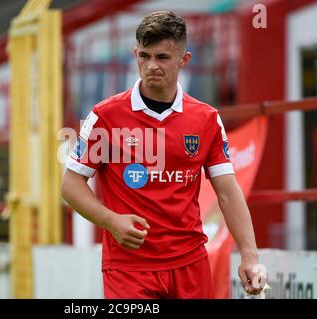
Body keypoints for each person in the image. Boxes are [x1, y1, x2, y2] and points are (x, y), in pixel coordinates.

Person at [61, 11, 266, 299]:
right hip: (128, 269)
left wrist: (249, 256)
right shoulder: (105, 116)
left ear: (184, 60)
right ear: (135, 54)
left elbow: (228, 193)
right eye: (144, 56)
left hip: (190, 264)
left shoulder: (206, 118)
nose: (151, 65)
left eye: (162, 57)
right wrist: (111, 221)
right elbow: (70, 185)